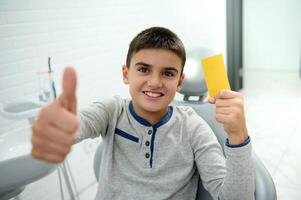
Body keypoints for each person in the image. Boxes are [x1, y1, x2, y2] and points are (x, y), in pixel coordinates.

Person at [31, 27, 255, 200]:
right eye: (144, 69)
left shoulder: (192, 127)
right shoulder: (112, 111)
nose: (155, 82)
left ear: (179, 82)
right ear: (126, 73)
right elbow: (81, 124)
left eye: (167, 73)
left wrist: (238, 136)